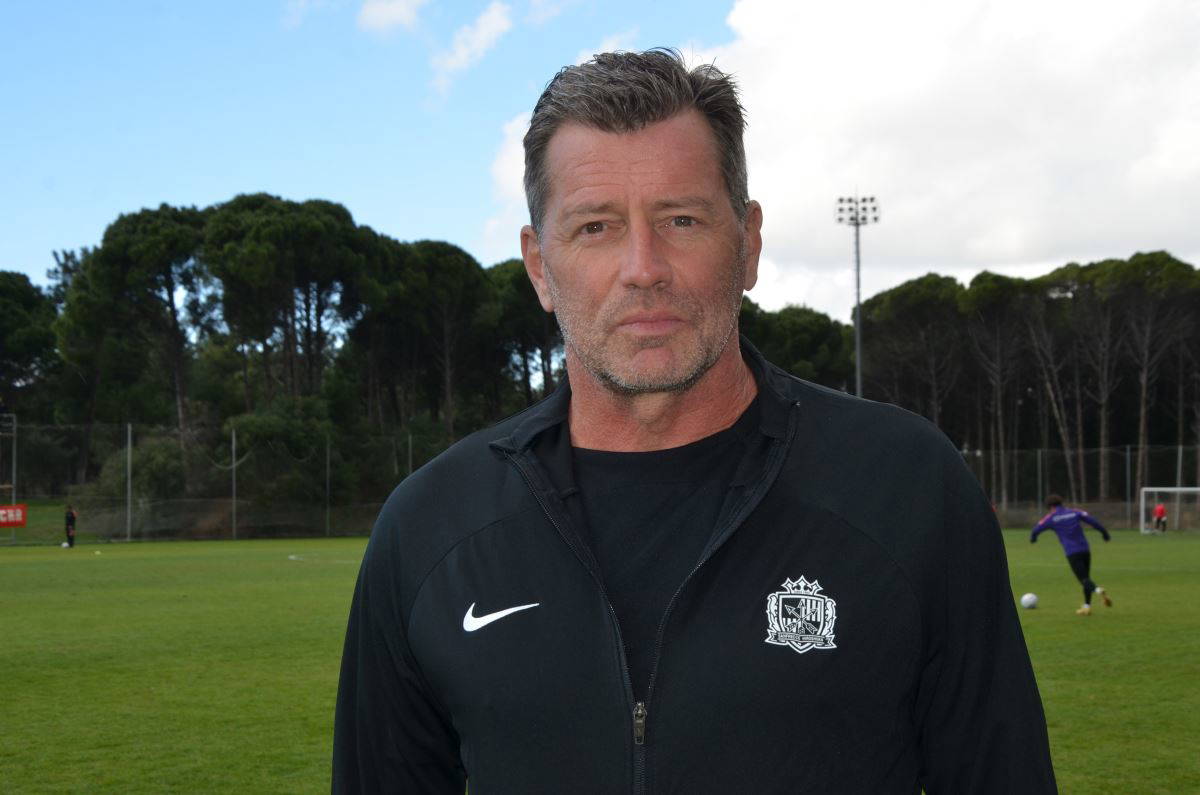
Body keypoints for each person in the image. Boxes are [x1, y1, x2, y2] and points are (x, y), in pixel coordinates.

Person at [333, 49, 1055, 793]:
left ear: (748, 244)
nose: (644, 267)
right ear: (540, 266)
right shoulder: (431, 527)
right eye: (595, 227)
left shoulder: (905, 487)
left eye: (681, 219)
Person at [1031, 494, 1113, 616]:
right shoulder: (1075, 512)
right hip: (1085, 549)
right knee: (1086, 578)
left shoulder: (1052, 517)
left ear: (1050, 507)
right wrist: (1104, 533)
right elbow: (1093, 522)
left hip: (1072, 552)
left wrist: (1033, 538)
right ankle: (1087, 607)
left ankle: (1098, 590)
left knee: (1084, 580)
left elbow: (1036, 529)